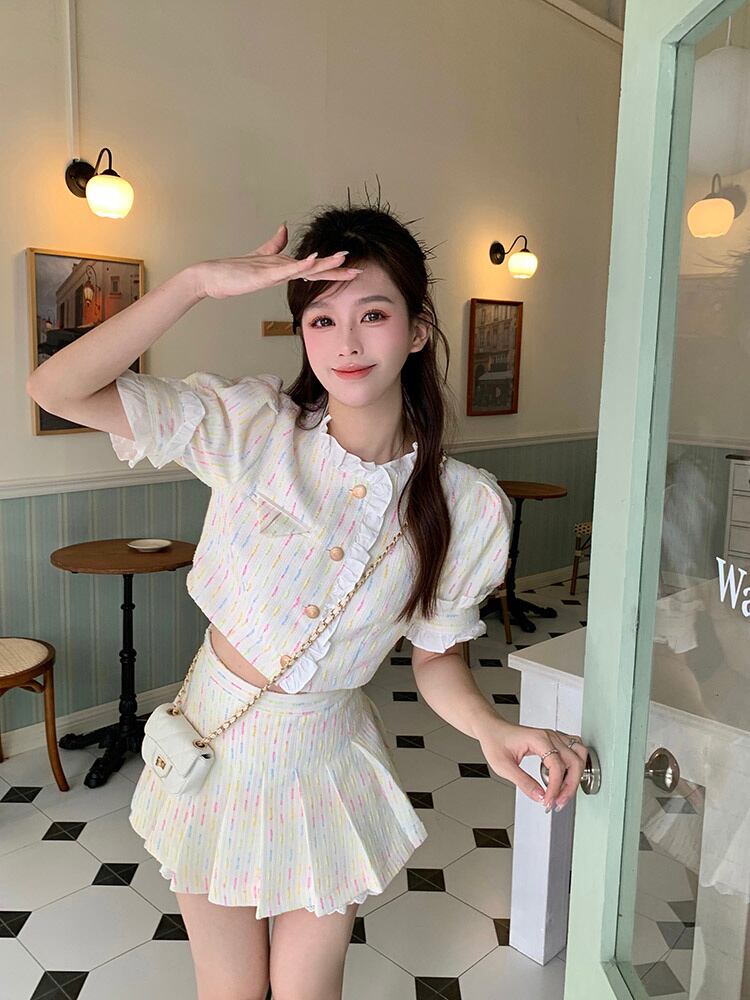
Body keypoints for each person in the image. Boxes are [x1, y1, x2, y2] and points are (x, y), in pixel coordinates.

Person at [26, 198, 589, 1000]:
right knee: (229, 989)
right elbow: (56, 387)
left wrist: (493, 728)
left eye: (373, 314)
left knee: (307, 990)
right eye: (322, 320)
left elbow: (436, 659)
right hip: (215, 747)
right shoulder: (254, 427)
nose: (346, 343)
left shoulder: (465, 504)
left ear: (418, 329)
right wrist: (193, 283)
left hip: (326, 761)